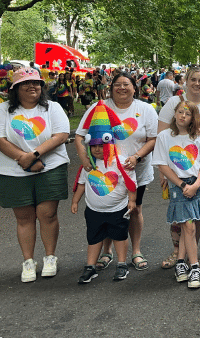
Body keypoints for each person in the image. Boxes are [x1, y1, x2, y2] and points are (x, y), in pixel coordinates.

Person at [0, 67, 70, 282]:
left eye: (36, 82)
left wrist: (33, 155)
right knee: (24, 217)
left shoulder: (52, 107)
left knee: (48, 214)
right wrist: (22, 159)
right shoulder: (2, 110)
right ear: (15, 88)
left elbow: (61, 134)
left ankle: (50, 257)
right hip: (12, 171)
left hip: (50, 167)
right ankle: (28, 261)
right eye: (25, 83)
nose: (32, 86)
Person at [75, 72, 158, 272]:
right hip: (102, 170)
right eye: (117, 84)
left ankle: (135, 251)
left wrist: (137, 156)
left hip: (134, 170)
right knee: (104, 210)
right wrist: (86, 160)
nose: (122, 88)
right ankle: (107, 250)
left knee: (134, 208)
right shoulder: (99, 107)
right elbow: (79, 135)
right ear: (111, 88)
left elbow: (154, 138)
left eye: (126, 84)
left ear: (134, 87)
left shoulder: (145, 109)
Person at [158, 67, 200, 269]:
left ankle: (191, 253)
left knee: (198, 211)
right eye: (193, 79)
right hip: (175, 165)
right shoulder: (172, 103)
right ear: (185, 81)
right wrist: (163, 173)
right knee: (179, 211)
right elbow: (161, 135)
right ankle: (177, 252)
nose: (197, 83)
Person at [71, 102, 138, 283]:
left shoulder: (120, 162)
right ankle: (90, 267)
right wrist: (75, 201)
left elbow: (131, 183)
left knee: (119, 237)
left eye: (101, 145)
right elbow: (82, 183)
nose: (97, 149)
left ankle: (122, 264)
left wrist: (132, 201)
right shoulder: (89, 164)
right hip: (93, 210)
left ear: (110, 143)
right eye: (94, 146)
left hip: (118, 209)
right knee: (93, 238)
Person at [152, 101, 200, 288]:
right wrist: (182, 184)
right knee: (189, 226)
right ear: (174, 114)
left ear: (193, 117)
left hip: (196, 185)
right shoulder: (164, 136)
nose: (183, 116)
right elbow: (162, 164)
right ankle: (194, 267)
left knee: (188, 226)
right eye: (180, 112)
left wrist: (197, 185)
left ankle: (180, 263)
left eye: (187, 113)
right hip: (179, 186)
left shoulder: (198, 137)